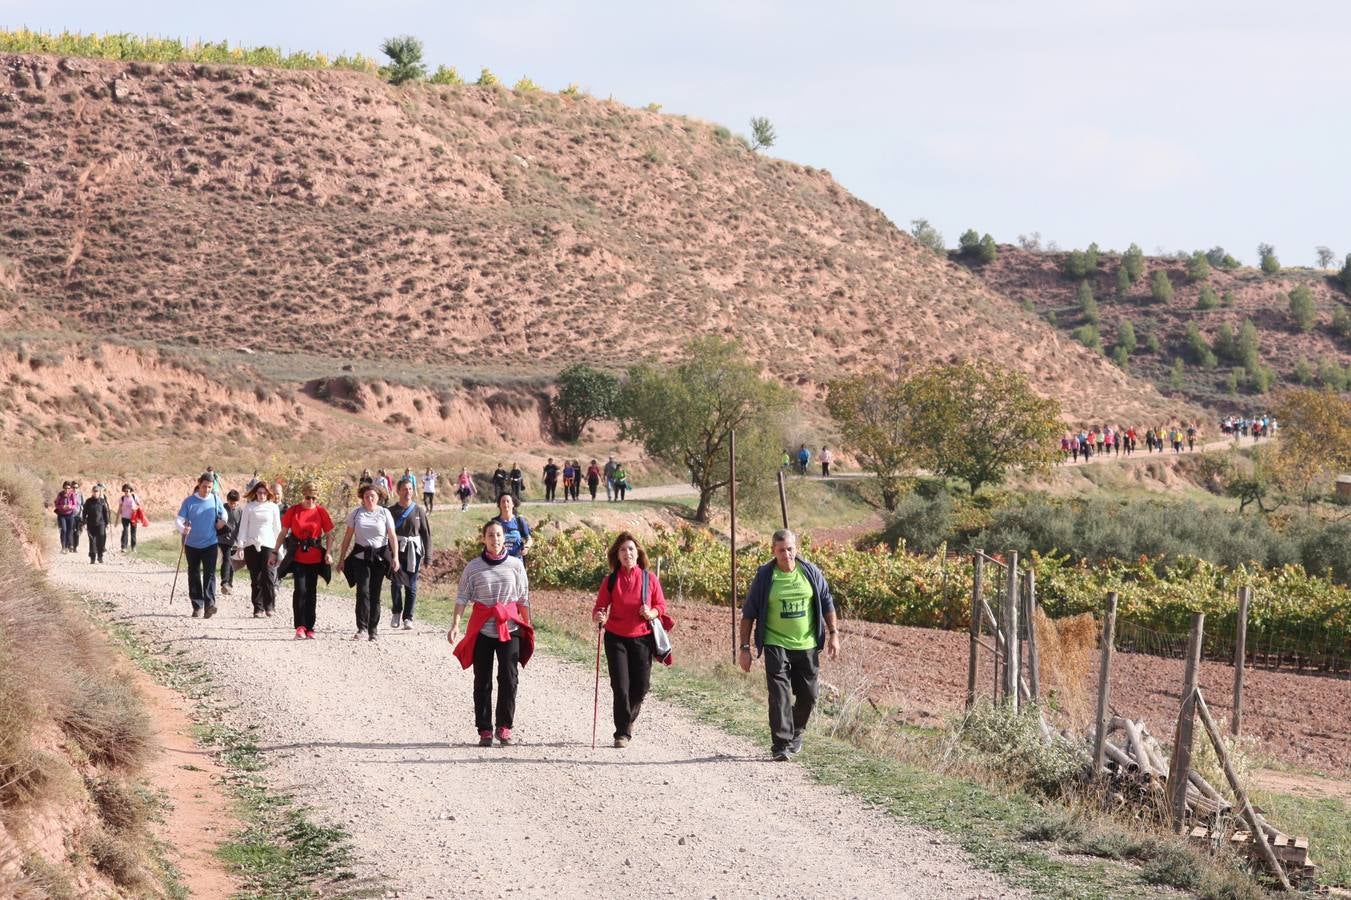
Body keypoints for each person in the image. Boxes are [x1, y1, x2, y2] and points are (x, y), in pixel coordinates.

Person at [737, 529, 840, 761]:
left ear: (797, 548)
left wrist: (834, 633)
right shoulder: (765, 577)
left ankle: (795, 731)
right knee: (779, 695)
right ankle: (780, 745)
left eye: (790, 549)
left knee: (810, 695)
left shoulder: (810, 573)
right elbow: (748, 614)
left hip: (807, 644)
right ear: (773, 551)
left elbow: (827, 602)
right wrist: (745, 649)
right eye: (781, 550)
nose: (787, 554)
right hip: (775, 643)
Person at [448, 520, 533, 747]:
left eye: (498, 535)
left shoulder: (516, 565)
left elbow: (523, 598)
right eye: (490, 535)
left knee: (509, 677)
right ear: (483, 539)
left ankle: (504, 726)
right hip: (483, 629)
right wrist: (455, 624)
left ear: (504, 538)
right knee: (482, 680)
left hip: (510, 627)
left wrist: (528, 626)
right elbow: (462, 598)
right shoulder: (473, 567)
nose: (495, 539)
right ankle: (485, 729)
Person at [592, 532, 674, 748]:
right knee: (620, 686)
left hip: (642, 639)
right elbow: (599, 608)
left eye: (630, 549)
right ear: (617, 556)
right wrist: (600, 616)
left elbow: (661, 606)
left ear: (638, 553)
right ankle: (621, 733)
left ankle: (628, 721)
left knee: (641, 686)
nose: (627, 553)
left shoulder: (649, 579)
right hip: (615, 638)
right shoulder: (610, 581)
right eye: (622, 550)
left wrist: (652, 613)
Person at [338, 483, 400, 641]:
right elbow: (347, 537)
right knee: (362, 592)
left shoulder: (385, 513)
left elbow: (392, 536)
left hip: (379, 558)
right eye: (367, 496)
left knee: (375, 594)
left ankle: (373, 629)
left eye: (373, 496)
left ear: (378, 497)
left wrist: (395, 557)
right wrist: (341, 559)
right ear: (362, 498)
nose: (370, 499)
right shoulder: (356, 513)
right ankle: (362, 628)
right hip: (361, 558)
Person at [276, 481, 334, 640]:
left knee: (311, 593)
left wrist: (328, 553)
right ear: (303, 495)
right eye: (308, 498)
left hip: (315, 558)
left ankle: (310, 627)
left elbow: (329, 535)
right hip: (298, 558)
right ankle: (300, 626)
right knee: (300, 591)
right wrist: (275, 551)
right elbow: (283, 533)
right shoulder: (294, 511)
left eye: (314, 498)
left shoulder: (321, 512)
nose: (311, 501)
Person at [175, 473, 229, 619]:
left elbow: (224, 514)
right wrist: (183, 529)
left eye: (210, 487)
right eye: (204, 486)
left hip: (210, 543)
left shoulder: (216, 500)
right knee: (194, 574)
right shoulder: (189, 502)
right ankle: (197, 606)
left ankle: (210, 605)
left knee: (210, 574)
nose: (207, 490)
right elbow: (179, 520)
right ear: (199, 484)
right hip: (191, 544)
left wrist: (222, 522)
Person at [388, 477, 432, 630]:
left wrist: (428, 556)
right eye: (405, 489)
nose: (408, 492)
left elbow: (426, 534)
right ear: (398, 491)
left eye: (410, 489)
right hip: (396, 551)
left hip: (414, 551)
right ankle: (396, 612)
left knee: (411, 585)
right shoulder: (391, 511)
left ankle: (408, 617)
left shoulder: (419, 510)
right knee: (396, 584)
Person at [237, 480, 282, 618]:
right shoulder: (249, 507)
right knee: (255, 578)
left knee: (268, 576)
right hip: (251, 545)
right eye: (259, 492)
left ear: (268, 494)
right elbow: (243, 527)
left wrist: (279, 549)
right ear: (255, 493)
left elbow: (277, 529)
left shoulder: (273, 507)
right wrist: (240, 545)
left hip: (269, 545)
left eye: (264, 493)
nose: (261, 495)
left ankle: (270, 606)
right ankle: (258, 608)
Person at [491, 493, 532, 558]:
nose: (505, 504)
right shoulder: (495, 522)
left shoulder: (519, 520)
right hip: (499, 561)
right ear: (499, 505)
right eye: (503, 501)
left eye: (508, 501)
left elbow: (529, 539)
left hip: (517, 562)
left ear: (513, 504)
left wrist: (526, 548)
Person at [219, 489, 242, 595]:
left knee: (231, 562)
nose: (232, 505)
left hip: (235, 541)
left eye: (235, 503)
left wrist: (241, 541)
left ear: (238, 501)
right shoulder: (222, 508)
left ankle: (230, 584)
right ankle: (224, 582)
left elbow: (242, 527)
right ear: (227, 500)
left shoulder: (240, 511)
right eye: (230, 503)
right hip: (223, 539)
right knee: (226, 558)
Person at [82, 484, 112, 564]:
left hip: (101, 523)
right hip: (90, 523)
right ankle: (92, 557)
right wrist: (84, 522)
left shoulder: (102, 501)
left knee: (101, 540)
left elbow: (105, 512)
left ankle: (100, 556)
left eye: (97, 491)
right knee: (92, 541)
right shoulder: (88, 501)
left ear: (99, 492)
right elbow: (84, 512)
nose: (95, 493)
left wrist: (107, 523)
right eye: (94, 491)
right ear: (92, 492)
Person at [55, 481, 80, 553]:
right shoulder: (60, 494)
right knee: (64, 530)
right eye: (65, 488)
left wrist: (70, 506)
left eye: (68, 488)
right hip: (62, 515)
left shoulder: (72, 495)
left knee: (69, 531)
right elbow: (56, 504)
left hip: (70, 515)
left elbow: (75, 505)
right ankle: (63, 547)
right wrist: (62, 506)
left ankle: (67, 546)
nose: (67, 490)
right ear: (63, 488)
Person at [118, 483, 142, 552]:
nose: (126, 492)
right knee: (125, 531)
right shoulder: (122, 498)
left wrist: (135, 509)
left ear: (130, 491)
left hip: (133, 517)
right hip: (124, 517)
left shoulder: (134, 497)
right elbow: (119, 508)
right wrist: (117, 519)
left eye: (127, 491)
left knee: (133, 532)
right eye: (125, 491)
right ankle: (124, 547)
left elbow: (139, 505)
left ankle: (133, 547)